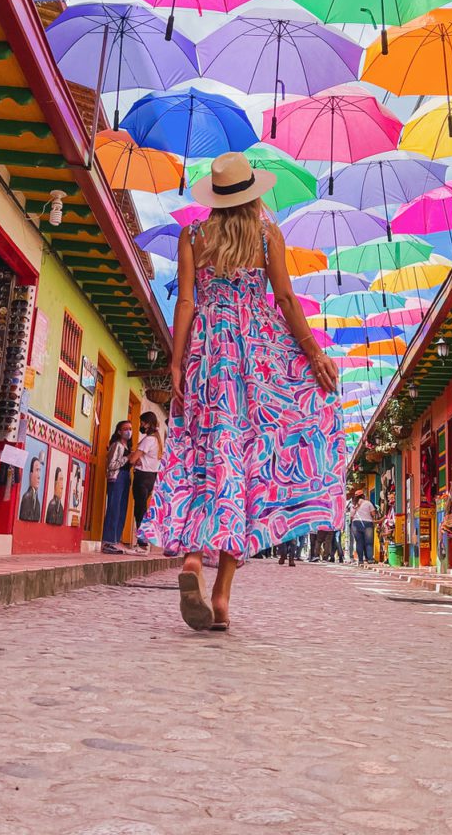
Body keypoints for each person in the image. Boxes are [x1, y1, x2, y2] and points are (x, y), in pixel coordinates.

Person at [141, 152, 344, 631]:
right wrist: (314, 355)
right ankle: (223, 595)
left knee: (200, 454)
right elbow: (287, 300)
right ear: (252, 194)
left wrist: (177, 359)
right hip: (256, 360)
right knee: (247, 463)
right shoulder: (266, 234)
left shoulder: (193, 236)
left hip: (208, 356)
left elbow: (186, 300)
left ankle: (192, 557)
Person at [129, 411, 162, 548]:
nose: (141, 425)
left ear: (148, 424)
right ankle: (142, 539)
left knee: (139, 509)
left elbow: (133, 458)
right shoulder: (156, 440)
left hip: (142, 477)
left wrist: (133, 459)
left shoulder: (148, 440)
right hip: (151, 477)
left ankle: (142, 540)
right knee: (143, 508)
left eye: (142, 423)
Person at [101, 421, 132, 554]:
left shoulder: (128, 447)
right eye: (125, 429)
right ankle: (108, 541)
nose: (129, 431)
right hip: (116, 478)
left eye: (130, 429)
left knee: (122, 510)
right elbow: (112, 465)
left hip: (125, 478)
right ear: (119, 431)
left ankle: (116, 539)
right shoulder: (116, 445)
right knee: (114, 508)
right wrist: (127, 458)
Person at [352, 490, 377, 566]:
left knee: (359, 542)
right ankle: (370, 559)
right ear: (363, 495)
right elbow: (373, 513)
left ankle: (360, 560)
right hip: (367, 523)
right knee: (369, 542)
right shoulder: (368, 503)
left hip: (356, 523)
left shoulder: (353, 505)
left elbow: (351, 516)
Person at [19, 455, 43, 522]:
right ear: (31, 475)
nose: (39, 476)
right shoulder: (26, 497)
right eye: (37, 470)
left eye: (39, 471)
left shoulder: (38, 502)